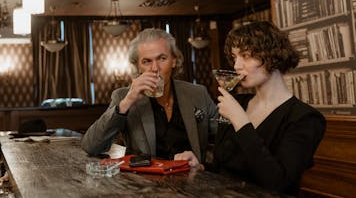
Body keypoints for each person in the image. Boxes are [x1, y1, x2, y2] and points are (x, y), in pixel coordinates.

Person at [211, 21, 326, 194]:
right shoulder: (238, 103)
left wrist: (241, 122)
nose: (236, 66)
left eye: (246, 55)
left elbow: (277, 182)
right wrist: (198, 164)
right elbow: (220, 168)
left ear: (272, 56)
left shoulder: (305, 118)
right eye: (235, 58)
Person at [81, 28, 218, 168]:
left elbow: (224, 142)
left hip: (193, 183)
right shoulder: (123, 96)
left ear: (174, 61)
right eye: (146, 61)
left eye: (162, 58)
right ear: (138, 67)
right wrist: (126, 103)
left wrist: (203, 166)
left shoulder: (197, 93)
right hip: (146, 185)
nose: (155, 68)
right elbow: (91, 146)